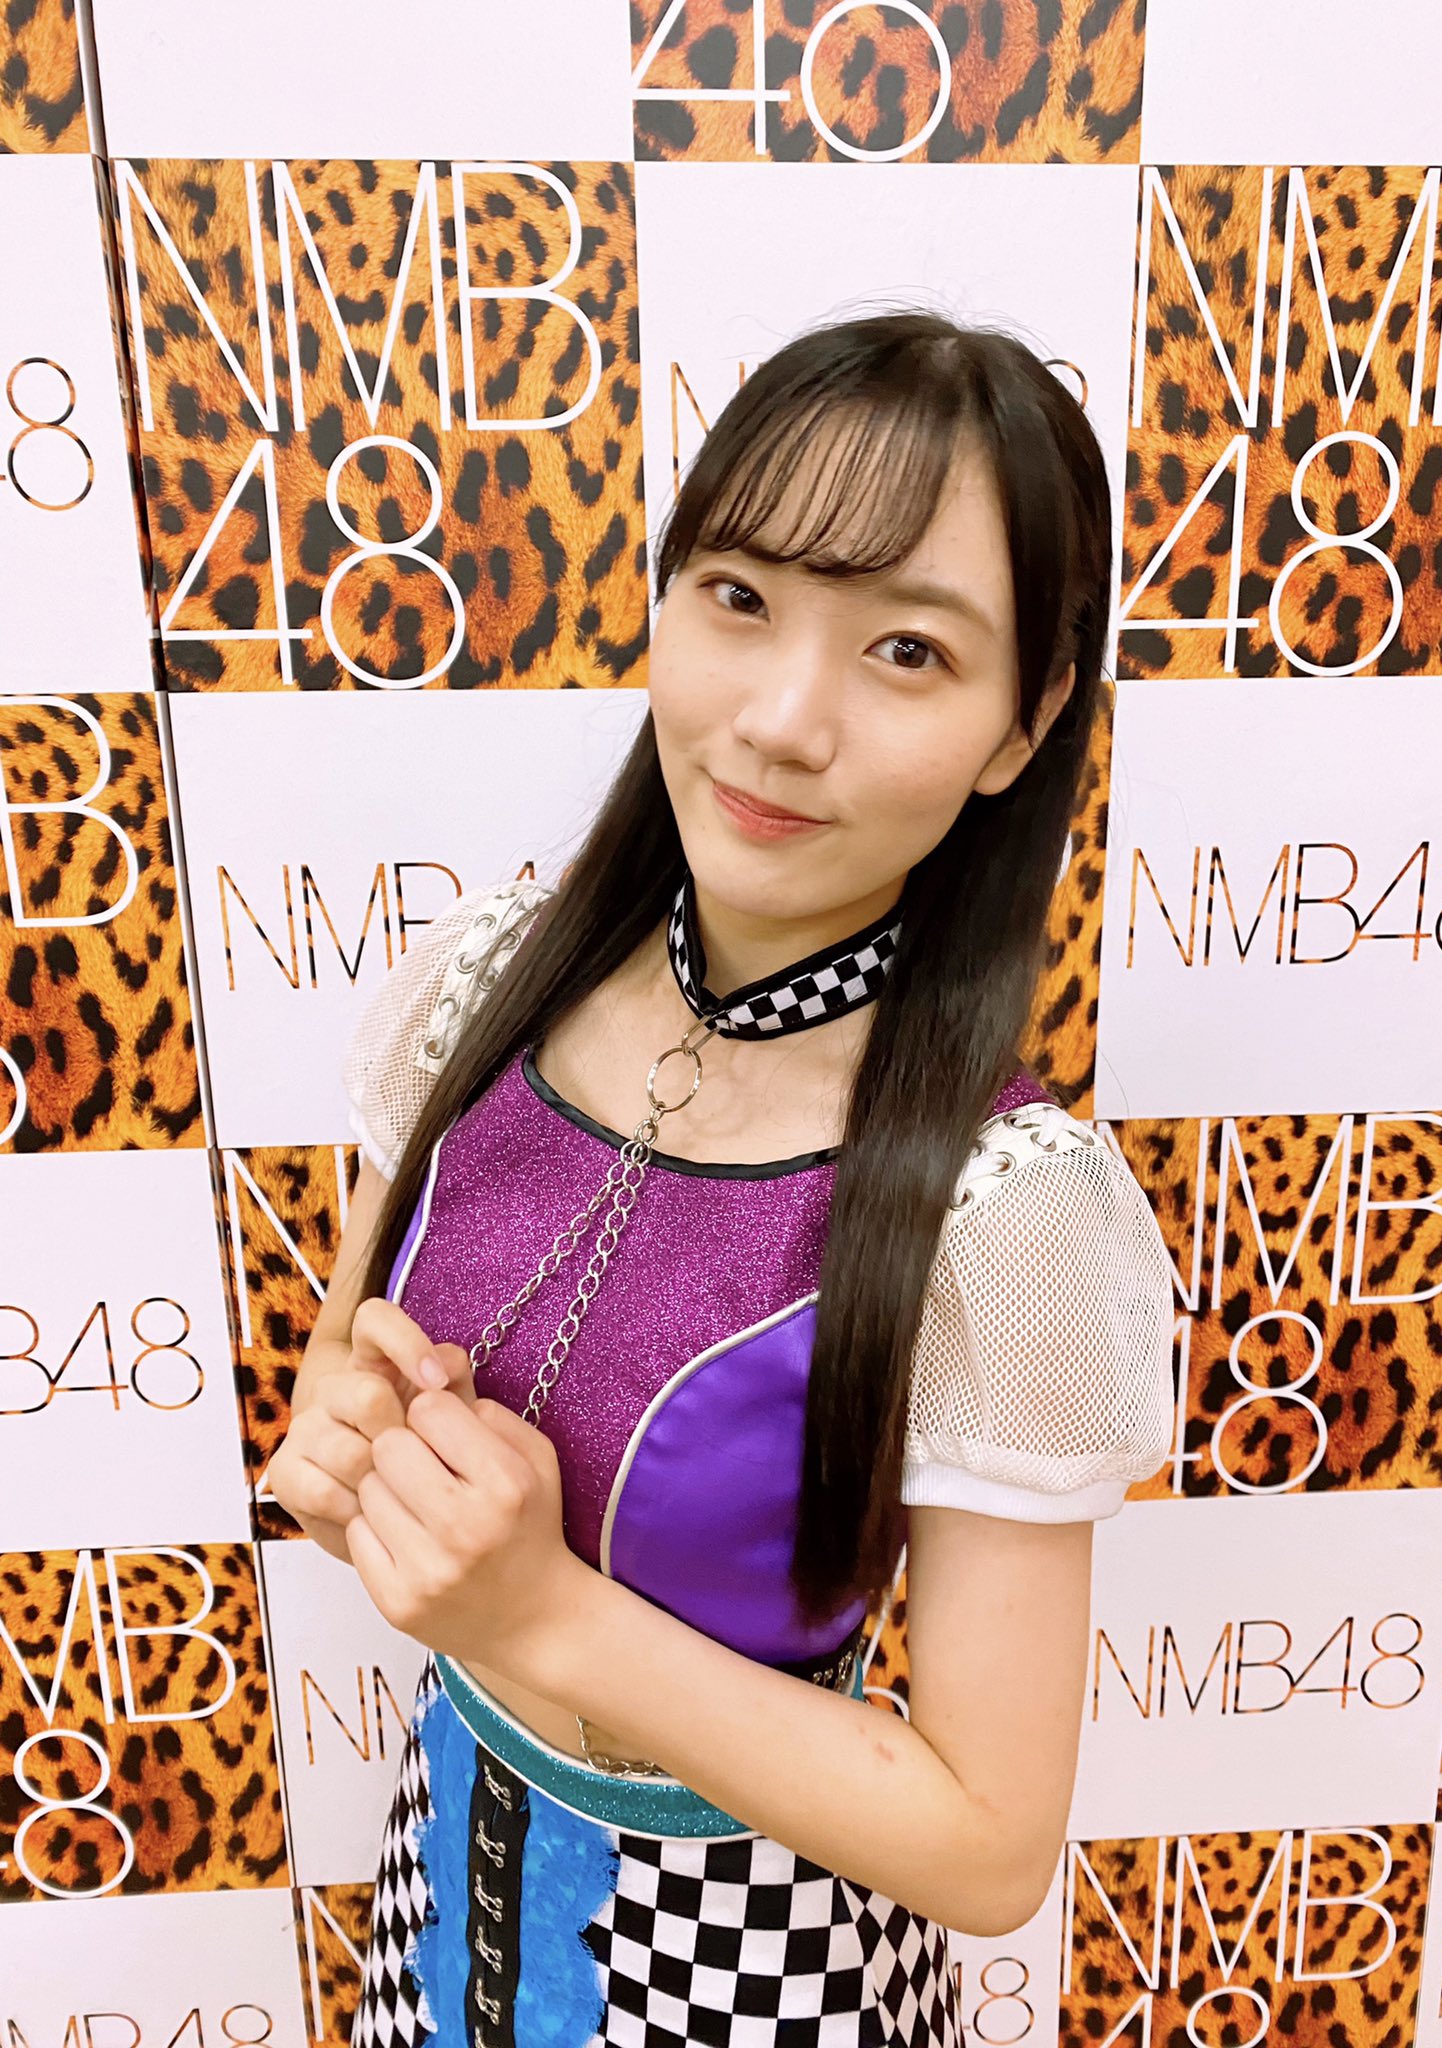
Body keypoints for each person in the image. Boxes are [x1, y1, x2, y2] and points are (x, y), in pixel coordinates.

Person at [268, 305, 1176, 2048]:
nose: (779, 720)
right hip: (438, 1878)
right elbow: (342, 1371)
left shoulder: (1008, 1208)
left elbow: (989, 1846)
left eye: (906, 650)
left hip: (766, 1968)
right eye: (740, 597)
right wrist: (355, 1456)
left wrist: (539, 1609)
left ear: (1024, 723)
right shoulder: (478, 990)